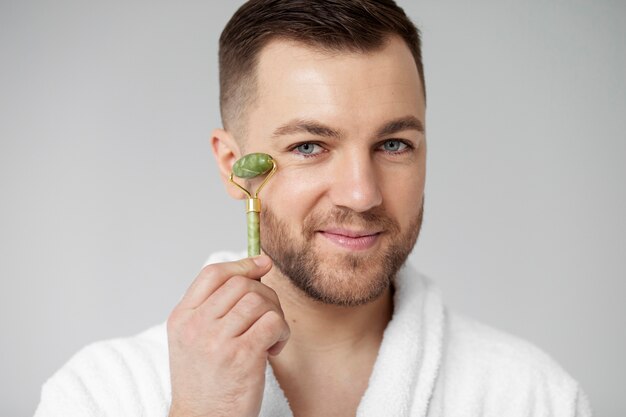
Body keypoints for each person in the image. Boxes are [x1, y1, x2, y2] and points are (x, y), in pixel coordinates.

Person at [34, 1, 593, 416]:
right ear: (233, 165)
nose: (361, 193)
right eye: (309, 147)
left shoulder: (531, 395)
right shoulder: (98, 393)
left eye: (393, 144)